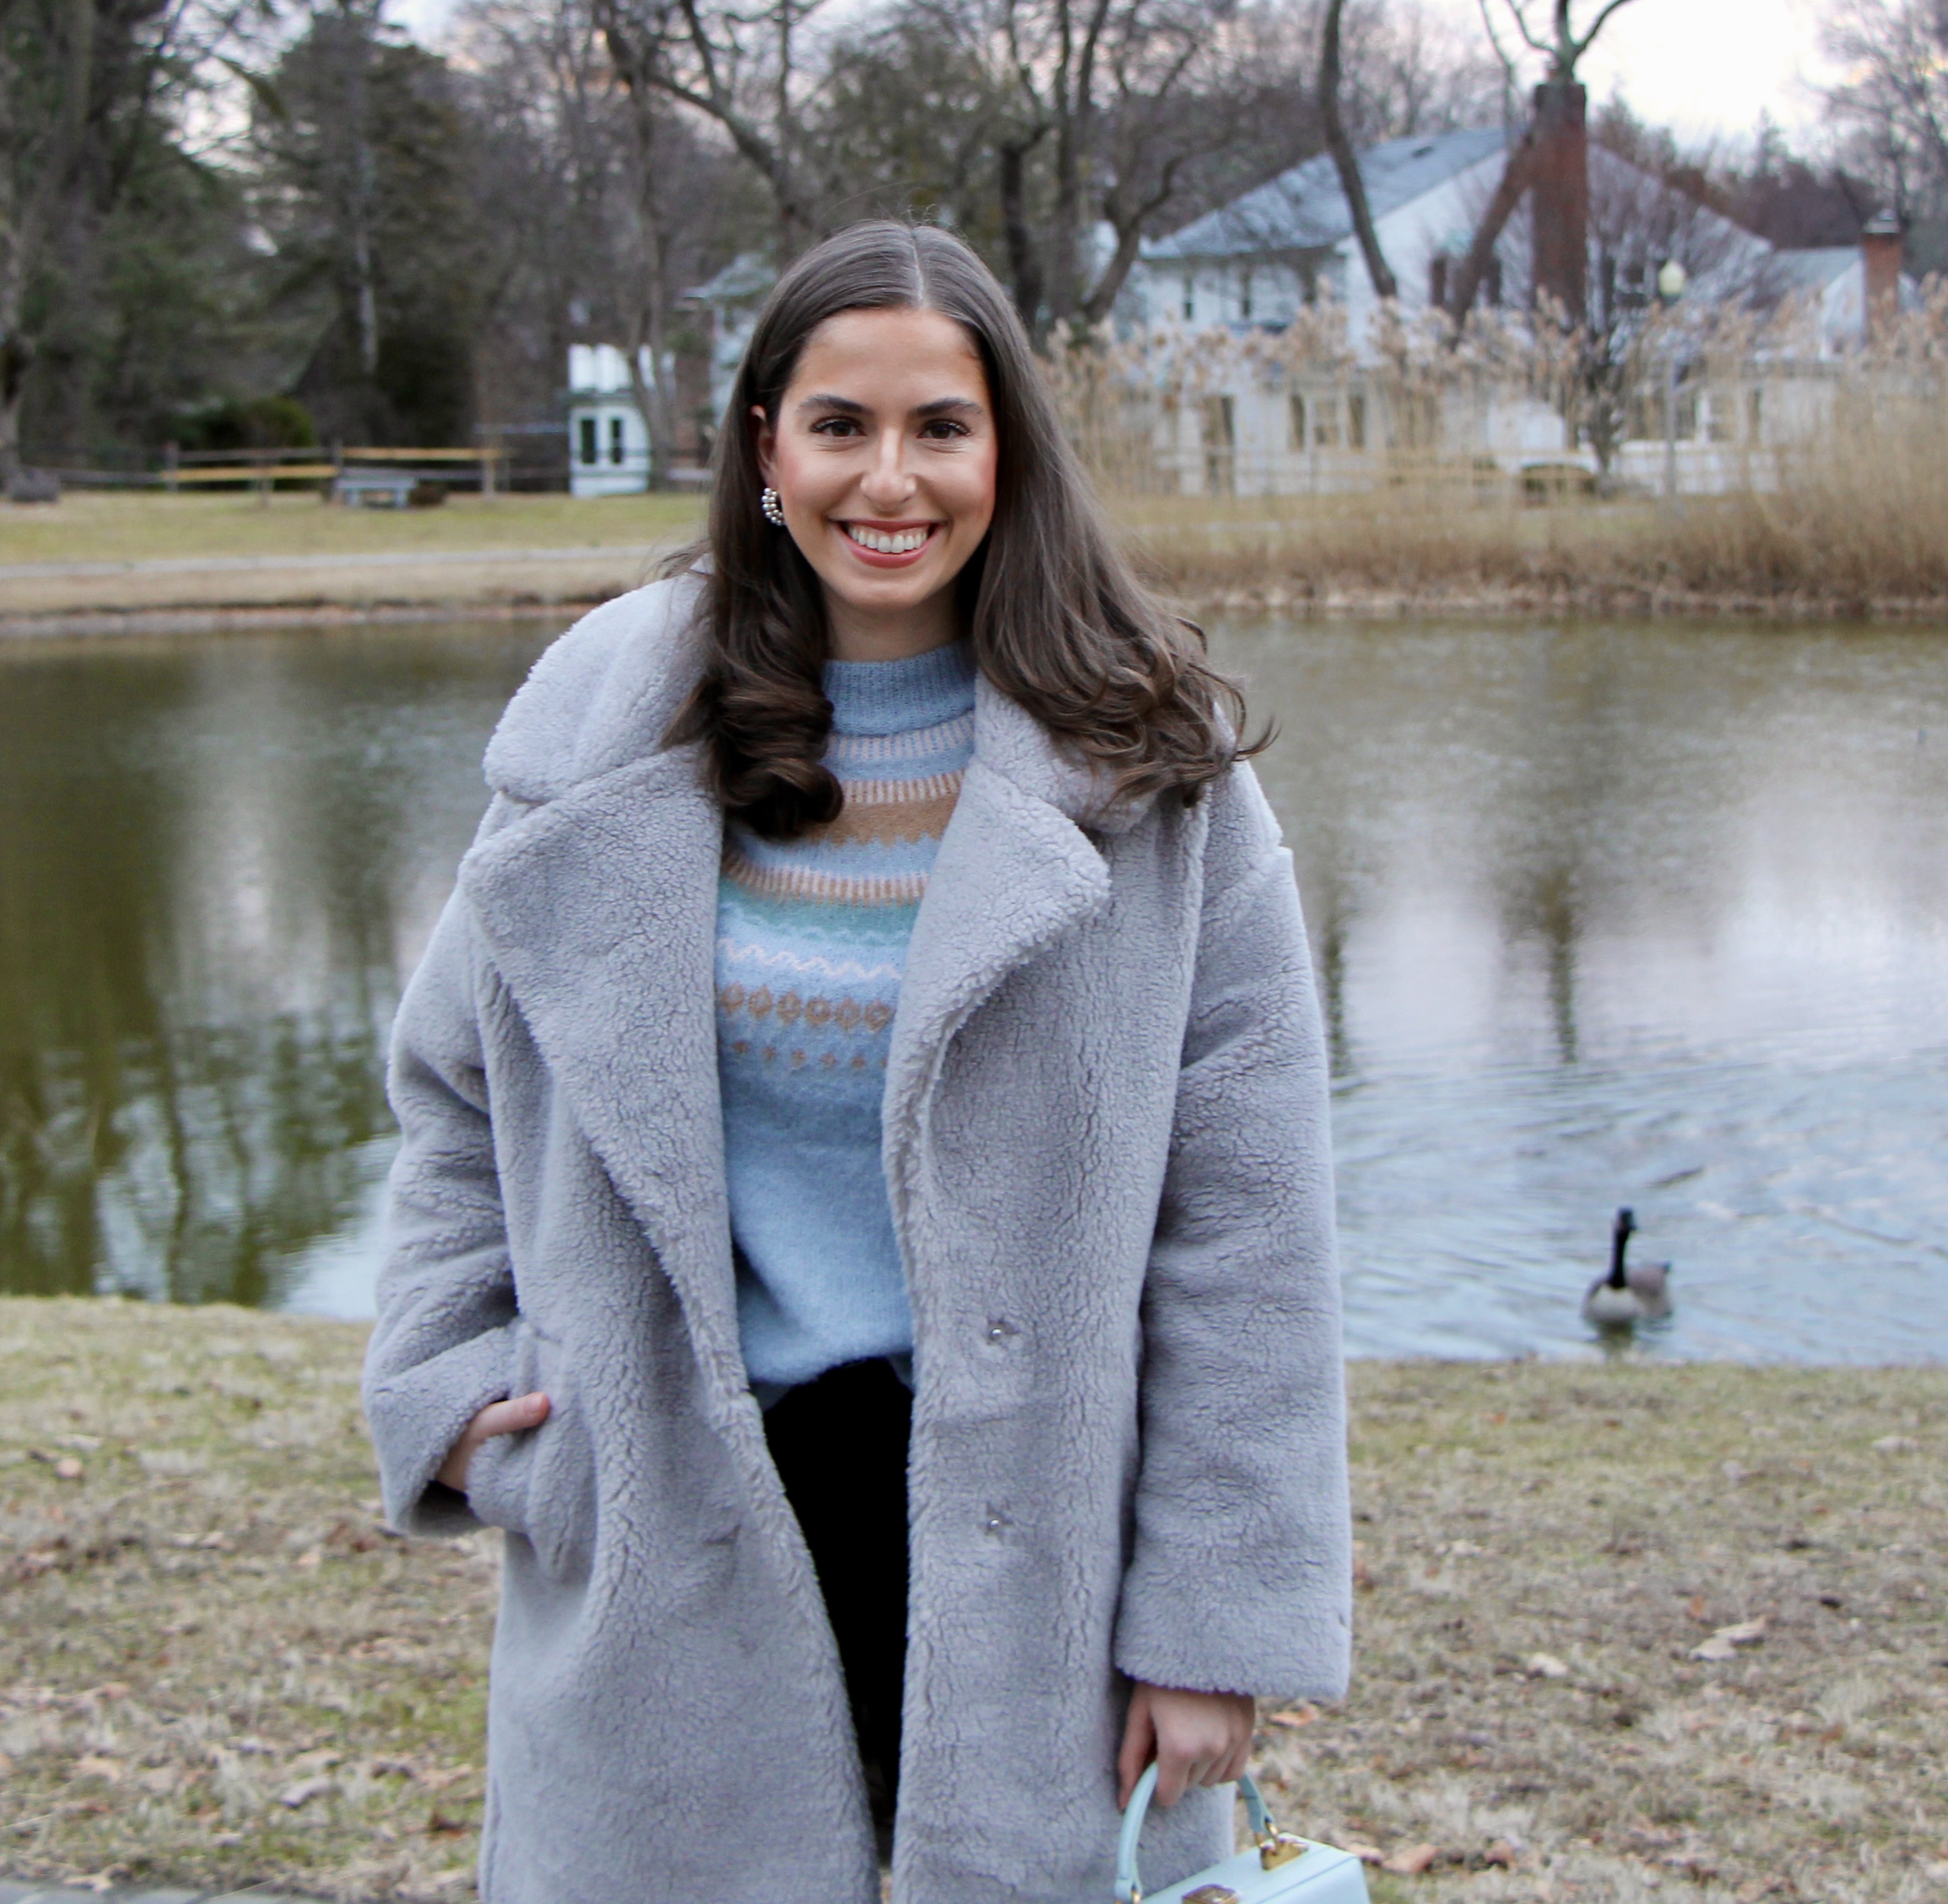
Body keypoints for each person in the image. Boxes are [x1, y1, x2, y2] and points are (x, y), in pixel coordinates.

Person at [361, 221, 1349, 1904]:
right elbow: (460, 1092)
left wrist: (1209, 1619)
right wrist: (452, 1393)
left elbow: (1248, 1234)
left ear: (1007, 453)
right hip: (676, 1502)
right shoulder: (607, 733)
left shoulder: (1155, 772)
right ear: (765, 447)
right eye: (840, 425)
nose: (889, 479)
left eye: (940, 428)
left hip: (1036, 1528)